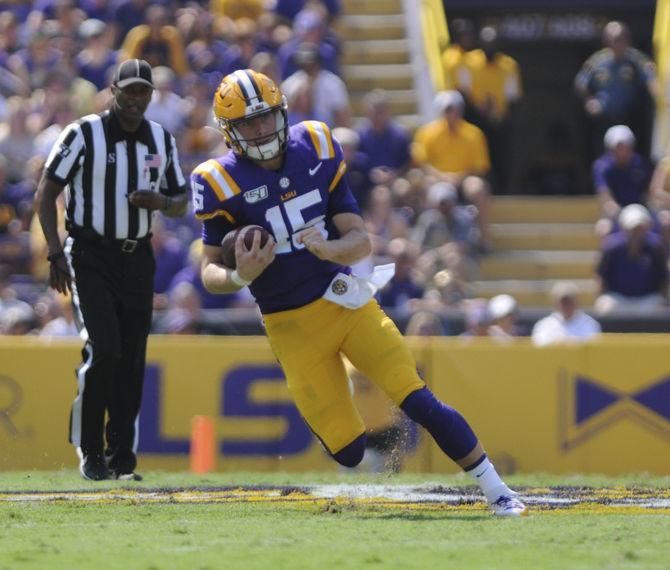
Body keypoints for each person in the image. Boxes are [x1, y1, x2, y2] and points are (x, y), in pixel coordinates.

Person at [192, 69, 526, 516]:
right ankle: (374, 447)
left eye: (266, 117)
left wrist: (328, 247)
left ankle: (498, 491)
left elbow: (361, 239)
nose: (260, 129)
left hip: (344, 300)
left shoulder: (315, 143)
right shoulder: (217, 179)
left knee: (417, 397)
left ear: (282, 113)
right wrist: (239, 276)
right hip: (289, 326)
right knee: (346, 451)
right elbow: (210, 269)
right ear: (228, 131)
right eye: (248, 123)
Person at [35, 59, 188, 481]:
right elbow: (47, 192)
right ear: (113, 90)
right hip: (90, 254)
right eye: (129, 90)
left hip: (137, 256)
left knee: (133, 360)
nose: (136, 99)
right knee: (104, 349)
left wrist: (160, 204)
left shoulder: (161, 138)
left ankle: (122, 459)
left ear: (151, 96)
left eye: (144, 92)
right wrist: (54, 253)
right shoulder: (83, 133)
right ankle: (90, 450)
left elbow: (180, 198)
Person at [575, 21, 657, 159]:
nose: (618, 44)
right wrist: (590, 100)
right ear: (607, 41)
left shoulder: (637, 59)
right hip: (605, 118)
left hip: (630, 117)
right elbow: (580, 83)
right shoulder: (597, 61)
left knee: (633, 157)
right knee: (602, 156)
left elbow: (651, 78)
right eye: (614, 40)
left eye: (621, 39)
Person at [594, 204, 668, 313]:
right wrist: (600, 297)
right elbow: (600, 277)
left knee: (662, 310)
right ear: (624, 228)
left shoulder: (656, 247)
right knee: (605, 307)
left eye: (640, 227)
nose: (636, 232)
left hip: (649, 299)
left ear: (647, 227)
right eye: (633, 228)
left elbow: (664, 278)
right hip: (618, 298)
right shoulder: (611, 247)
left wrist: (664, 299)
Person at [592, 125, 652, 226]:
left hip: (640, 209)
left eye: (624, 147)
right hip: (616, 213)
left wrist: (642, 209)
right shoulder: (601, 166)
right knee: (603, 228)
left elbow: (648, 190)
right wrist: (621, 214)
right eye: (617, 148)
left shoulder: (640, 163)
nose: (621, 152)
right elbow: (604, 195)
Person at [531, 281, 601, 347]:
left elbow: (593, 346)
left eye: (569, 302)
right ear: (556, 303)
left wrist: (570, 343)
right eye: (563, 302)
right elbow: (538, 345)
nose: (566, 306)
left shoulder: (590, 324)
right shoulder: (544, 325)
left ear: (576, 302)